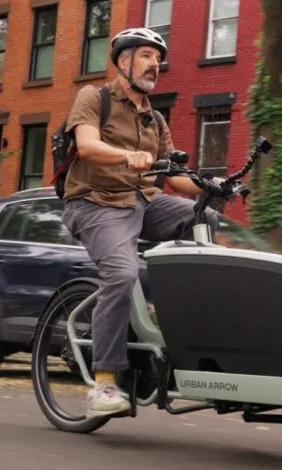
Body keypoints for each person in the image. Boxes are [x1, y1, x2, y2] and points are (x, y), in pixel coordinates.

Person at [60, 27, 219, 418]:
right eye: (147, 56)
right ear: (123, 60)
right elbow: (87, 145)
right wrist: (126, 156)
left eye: (158, 59)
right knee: (121, 274)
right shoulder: (94, 97)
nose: (155, 65)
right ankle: (104, 384)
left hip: (143, 202)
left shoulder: (155, 118)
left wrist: (212, 186)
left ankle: (168, 314)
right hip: (96, 202)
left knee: (204, 217)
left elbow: (175, 178)